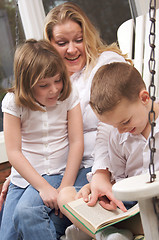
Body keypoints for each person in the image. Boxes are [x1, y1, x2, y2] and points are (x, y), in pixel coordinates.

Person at [0, 2, 131, 238]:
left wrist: (99, 173)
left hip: (93, 167)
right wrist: (18, 176)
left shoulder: (105, 66)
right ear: (49, 46)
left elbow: (109, 128)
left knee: (28, 215)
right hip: (58, 171)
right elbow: (32, 138)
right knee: (15, 225)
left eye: (78, 40)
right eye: (62, 43)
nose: (71, 50)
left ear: (87, 36)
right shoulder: (49, 80)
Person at [58, 62, 155, 239]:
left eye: (125, 122)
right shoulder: (119, 134)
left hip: (153, 202)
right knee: (65, 196)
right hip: (129, 204)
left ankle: (101, 232)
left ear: (144, 98)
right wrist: (105, 192)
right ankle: (109, 234)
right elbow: (119, 178)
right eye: (114, 125)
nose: (120, 130)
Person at [0, 39, 85, 240]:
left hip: (58, 170)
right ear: (27, 85)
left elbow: (76, 142)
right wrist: (43, 187)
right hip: (24, 179)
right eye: (44, 85)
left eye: (58, 80)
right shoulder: (13, 103)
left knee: (27, 213)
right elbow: (13, 151)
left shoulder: (69, 95)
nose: (54, 89)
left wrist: (65, 187)